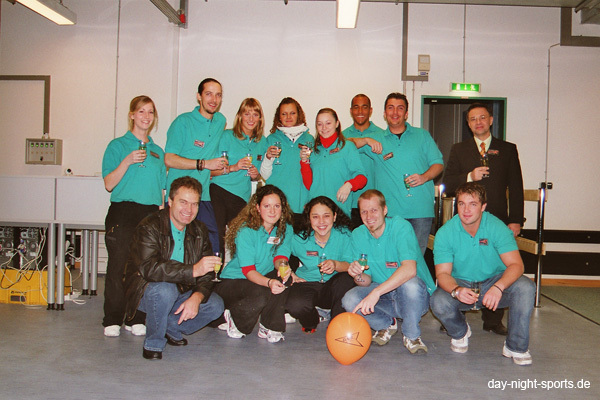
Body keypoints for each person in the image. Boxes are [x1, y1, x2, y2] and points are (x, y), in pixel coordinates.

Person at [430, 182, 535, 365]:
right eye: (461, 204)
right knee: (437, 300)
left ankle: (515, 347)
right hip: (462, 283)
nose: (466, 210)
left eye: (473, 204)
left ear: (483, 206)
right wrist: (456, 290)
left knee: (526, 287)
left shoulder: (497, 227)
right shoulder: (445, 233)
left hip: (493, 282)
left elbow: (517, 265)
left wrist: (498, 287)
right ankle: (460, 332)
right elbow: (443, 274)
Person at [442, 102, 525, 336]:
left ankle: (493, 320)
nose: (478, 122)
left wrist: (515, 220)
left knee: (497, 267)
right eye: (472, 119)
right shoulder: (459, 149)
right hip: (466, 220)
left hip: (497, 219)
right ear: (468, 124)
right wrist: (469, 175)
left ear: (490, 120)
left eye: (482, 117)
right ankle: (455, 315)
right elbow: (447, 183)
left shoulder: (507, 149)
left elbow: (516, 187)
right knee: (462, 265)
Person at [123, 177, 225, 360]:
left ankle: (169, 326)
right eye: (183, 202)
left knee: (216, 305)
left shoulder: (200, 230)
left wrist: (197, 296)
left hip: (181, 289)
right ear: (170, 201)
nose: (189, 209)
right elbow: (149, 268)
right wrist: (192, 270)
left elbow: (207, 273)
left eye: (194, 204)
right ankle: (153, 342)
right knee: (165, 290)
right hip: (146, 290)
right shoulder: (149, 226)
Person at [101, 95, 166, 337]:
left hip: (150, 214)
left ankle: (135, 317)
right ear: (132, 115)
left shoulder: (157, 152)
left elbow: (161, 191)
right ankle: (112, 318)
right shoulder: (117, 146)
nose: (146, 116)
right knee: (118, 266)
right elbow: (109, 183)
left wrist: (162, 217)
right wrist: (127, 161)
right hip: (123, 211)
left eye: (150, 112)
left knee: (143, 268)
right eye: (141, 111)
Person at [342, 190, 435, 354]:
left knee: (410, 284)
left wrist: (376, 292)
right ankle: (386, 324)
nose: (369, 216)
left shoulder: (400, 227)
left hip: (413, 298)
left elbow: (410, 269)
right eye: (364, 212)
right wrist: (357, 274)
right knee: (349, 300)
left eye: (374, 210)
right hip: (384, 296)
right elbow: (365, 281)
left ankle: (411, 335)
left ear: (385, 210)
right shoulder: (358, 235)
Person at [364, 93, 443, 254]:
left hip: (420, 212)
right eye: (390, 108)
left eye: (400, 108)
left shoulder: (422, 135)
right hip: (389, 213)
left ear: (406, 113)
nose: (395, 112)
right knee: (390, 260)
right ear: (384, 113)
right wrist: (365, 140)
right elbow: (344, 143)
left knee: (415, 260)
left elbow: (438, 164)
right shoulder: (376, 139)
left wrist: (424, 177)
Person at [214, 185, 294, 343]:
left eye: (277, 206)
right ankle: (235, 319)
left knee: (285, 279)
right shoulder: (246, 230)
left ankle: (269, 326)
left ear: (283, 208)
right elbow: (248, 271)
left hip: (260, 278)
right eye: (267, 206)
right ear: (257, 208)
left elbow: (280, 256)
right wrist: (269, 282)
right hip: (234, 281)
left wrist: (283, 267)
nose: (272, 211)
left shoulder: (286, 229)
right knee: (261, 291)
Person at [164, 78, 228, 252]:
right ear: (199, 96)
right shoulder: (183, 122)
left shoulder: (220, 121)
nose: (214, 100)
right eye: (208, 94)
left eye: (218, 95)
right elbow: (169, 159)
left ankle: (212, 271)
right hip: (180, 197)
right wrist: (204, 164)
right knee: (175, 247)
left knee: (213, 246)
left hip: (203, 196)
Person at [286, 196, 355, 333]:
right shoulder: (299, 239)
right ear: (309, 219)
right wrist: (290, 273)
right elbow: (278, 255)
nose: (321, 222)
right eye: (315, 217)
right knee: (294, 305)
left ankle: (336, 326)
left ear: (334, 217)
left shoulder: (345, 235)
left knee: (347, 279)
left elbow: (351, 265)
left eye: (326, 216)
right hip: (307, 283)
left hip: (333, 287)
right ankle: (313, 319)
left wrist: (336, 264)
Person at [210, 98, 265, 257]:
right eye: (247, 114)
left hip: (241, 197)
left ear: (260, 118)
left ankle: (242, 271)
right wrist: (234, 167)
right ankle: (214, 271)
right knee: (217, 236)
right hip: (219, 191)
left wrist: (256, 175)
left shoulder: (262, 142)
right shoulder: (226, 136)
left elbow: (261, 175)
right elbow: (210, 171)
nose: (251, 119)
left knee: (242, 238)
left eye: (255, 114)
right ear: (240, 116)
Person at [300, 108, 366, 218]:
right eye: (320, 124)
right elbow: (309, 185)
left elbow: (362, 178)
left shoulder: (347, 147)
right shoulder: (313, 150)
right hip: (317, 213)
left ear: (337, 124)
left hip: (339, 210)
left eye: (328, 123)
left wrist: (349, 185)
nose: (324, 128)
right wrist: (304, 162)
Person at [260, 97, 314, 225]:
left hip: (301, 204)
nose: (288, 117)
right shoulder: (271, 139)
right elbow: (265, 175)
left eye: (292, 113)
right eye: (284, 114)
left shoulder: (309, 140)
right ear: (279, 117)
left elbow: (314, 174)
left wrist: (311, 200)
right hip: (277, 206)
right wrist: (268, 158)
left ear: (299, 115)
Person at [343, 94, 384, 228]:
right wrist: (366, 140)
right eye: (356, 107)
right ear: (351, 111)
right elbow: (339, 145)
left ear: (370, 111)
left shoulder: (382, 135)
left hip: (375, 205)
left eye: (364, 107)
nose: (360, 111)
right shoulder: (342, 136)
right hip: (349, 204)